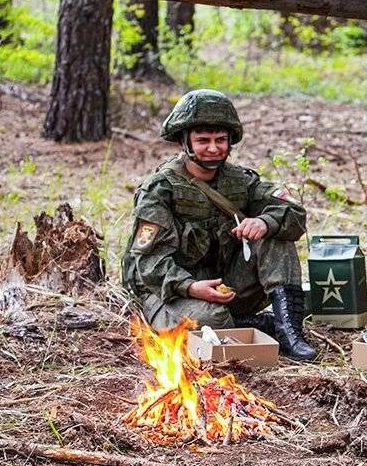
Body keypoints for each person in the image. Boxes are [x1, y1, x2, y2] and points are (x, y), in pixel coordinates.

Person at [121, 89, 316, 361]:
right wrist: (190, 287)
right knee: (211, 320)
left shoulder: (240, 181)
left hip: (226, 285)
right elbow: (148, 264)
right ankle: (255, 325)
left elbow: (293, 212)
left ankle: (290, 333)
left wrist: (264, 222)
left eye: (220, 140)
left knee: (275, 233)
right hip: (173, 291)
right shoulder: (160, 190)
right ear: (184, 142)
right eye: (203, 140)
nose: (213, 148)